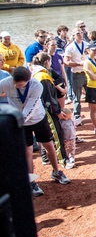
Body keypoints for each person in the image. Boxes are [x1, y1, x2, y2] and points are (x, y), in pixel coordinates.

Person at [0, 67, 70, 197]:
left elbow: (29, 108)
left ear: (29, 79)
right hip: (20, 122)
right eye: (16, 84)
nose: (18, 87)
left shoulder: (36, 86)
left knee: (49, 146)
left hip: (37, 118)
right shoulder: (5, 82)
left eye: (22, 85)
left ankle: (56, 172)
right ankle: (31, 181)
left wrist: (19, 121)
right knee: (28, 151)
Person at [63, 28, 88, 125]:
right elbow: (66, 62)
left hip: (87, 72)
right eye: (77, 33)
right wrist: (78, 64)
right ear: (73, 35)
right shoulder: (70, 47)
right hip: (77, 74)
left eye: (81, 33)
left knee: (91, 94)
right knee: (76, 97)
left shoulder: (86, 45)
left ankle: (95, 114)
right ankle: (77, 116)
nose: (80, 35)